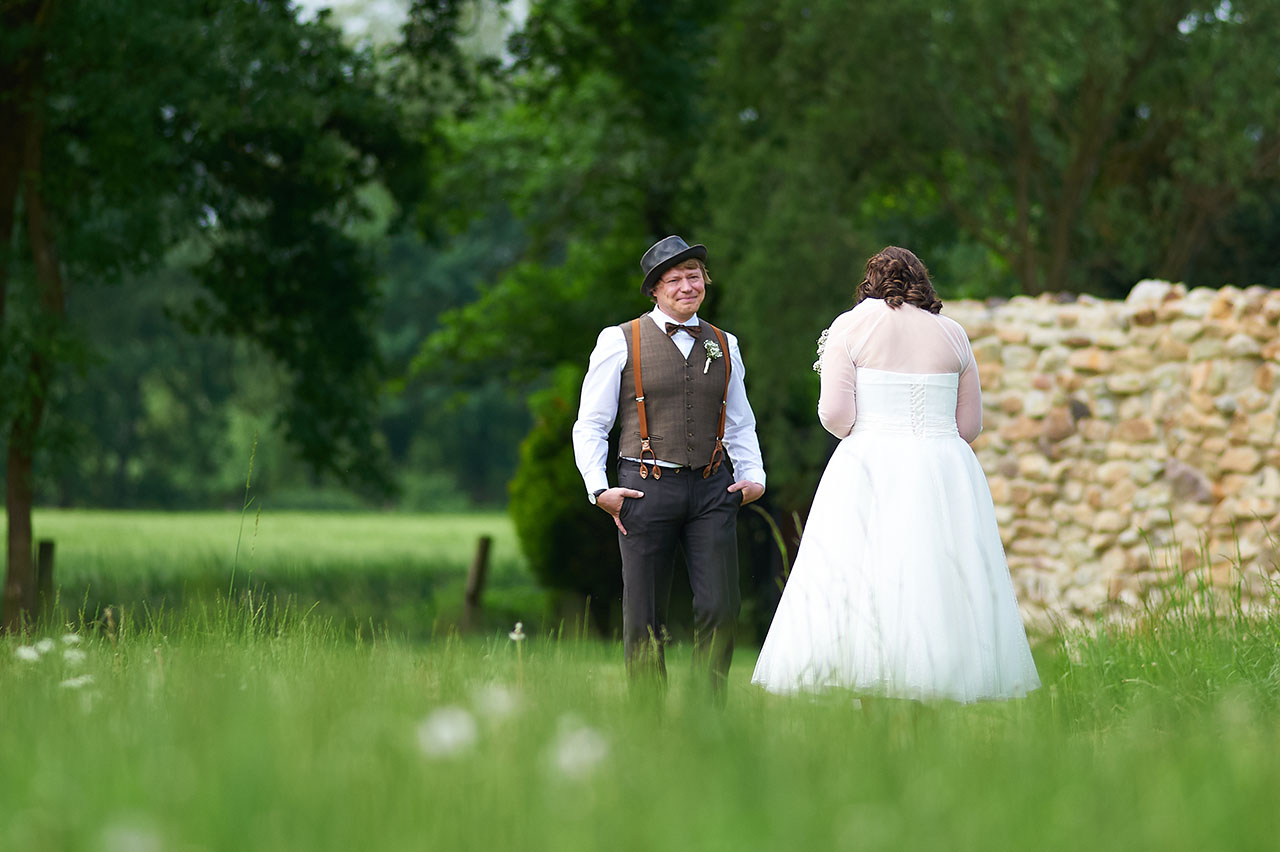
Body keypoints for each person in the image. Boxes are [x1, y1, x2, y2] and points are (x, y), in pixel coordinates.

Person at [751, 246, 1039, 702]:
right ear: (922, 283)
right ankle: (930, 693)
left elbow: (836, 414)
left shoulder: (851, 326)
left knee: (865, 576)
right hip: (944, 468)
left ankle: (873, 692)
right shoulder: (954, 334)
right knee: (939, 576)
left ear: (870, 283)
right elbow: (970, 426)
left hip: (871, 463)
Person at [572, 235, 766, 700]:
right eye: (674, 280)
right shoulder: (618, 341)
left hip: (712, 488)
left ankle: (706, 717)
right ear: (655, 291)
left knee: (721, 607)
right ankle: (648, 722)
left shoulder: (724, 343)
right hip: (644, 487)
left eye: (693, 277)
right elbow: (591, 424)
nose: (686, 286)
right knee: (644, 614)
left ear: (705, 282)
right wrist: (599, 489)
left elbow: (739, 419)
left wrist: (753, 476)